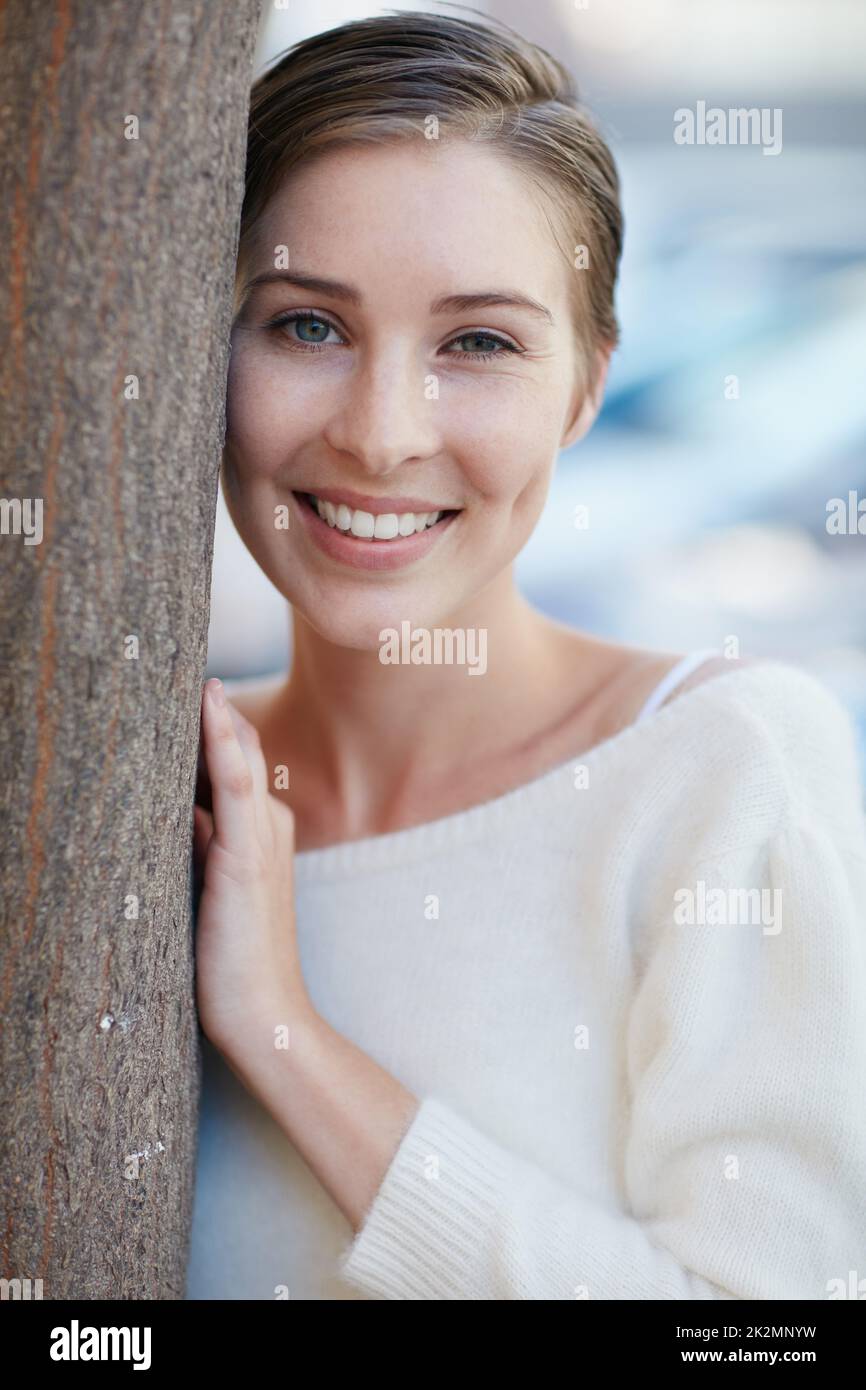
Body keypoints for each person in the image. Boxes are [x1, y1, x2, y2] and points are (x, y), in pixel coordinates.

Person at [185, 10, 866, 1300]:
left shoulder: (725, 767)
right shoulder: (162, 786)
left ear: (586, 387)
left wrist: (286, 1033)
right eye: (305, 327)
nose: (382, 437)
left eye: (479, 343)